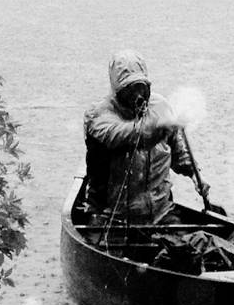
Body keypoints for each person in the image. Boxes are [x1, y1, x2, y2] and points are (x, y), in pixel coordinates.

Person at [83, 49, 196, 229]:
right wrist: (159, 127)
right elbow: (123, 135)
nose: (137, 95)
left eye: (141, 87)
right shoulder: (99, 115)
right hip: (112, 219)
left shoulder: (161, 106)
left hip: (161, 215)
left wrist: (194, 173)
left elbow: (179, 155)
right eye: (129, 89)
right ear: (117, 90)